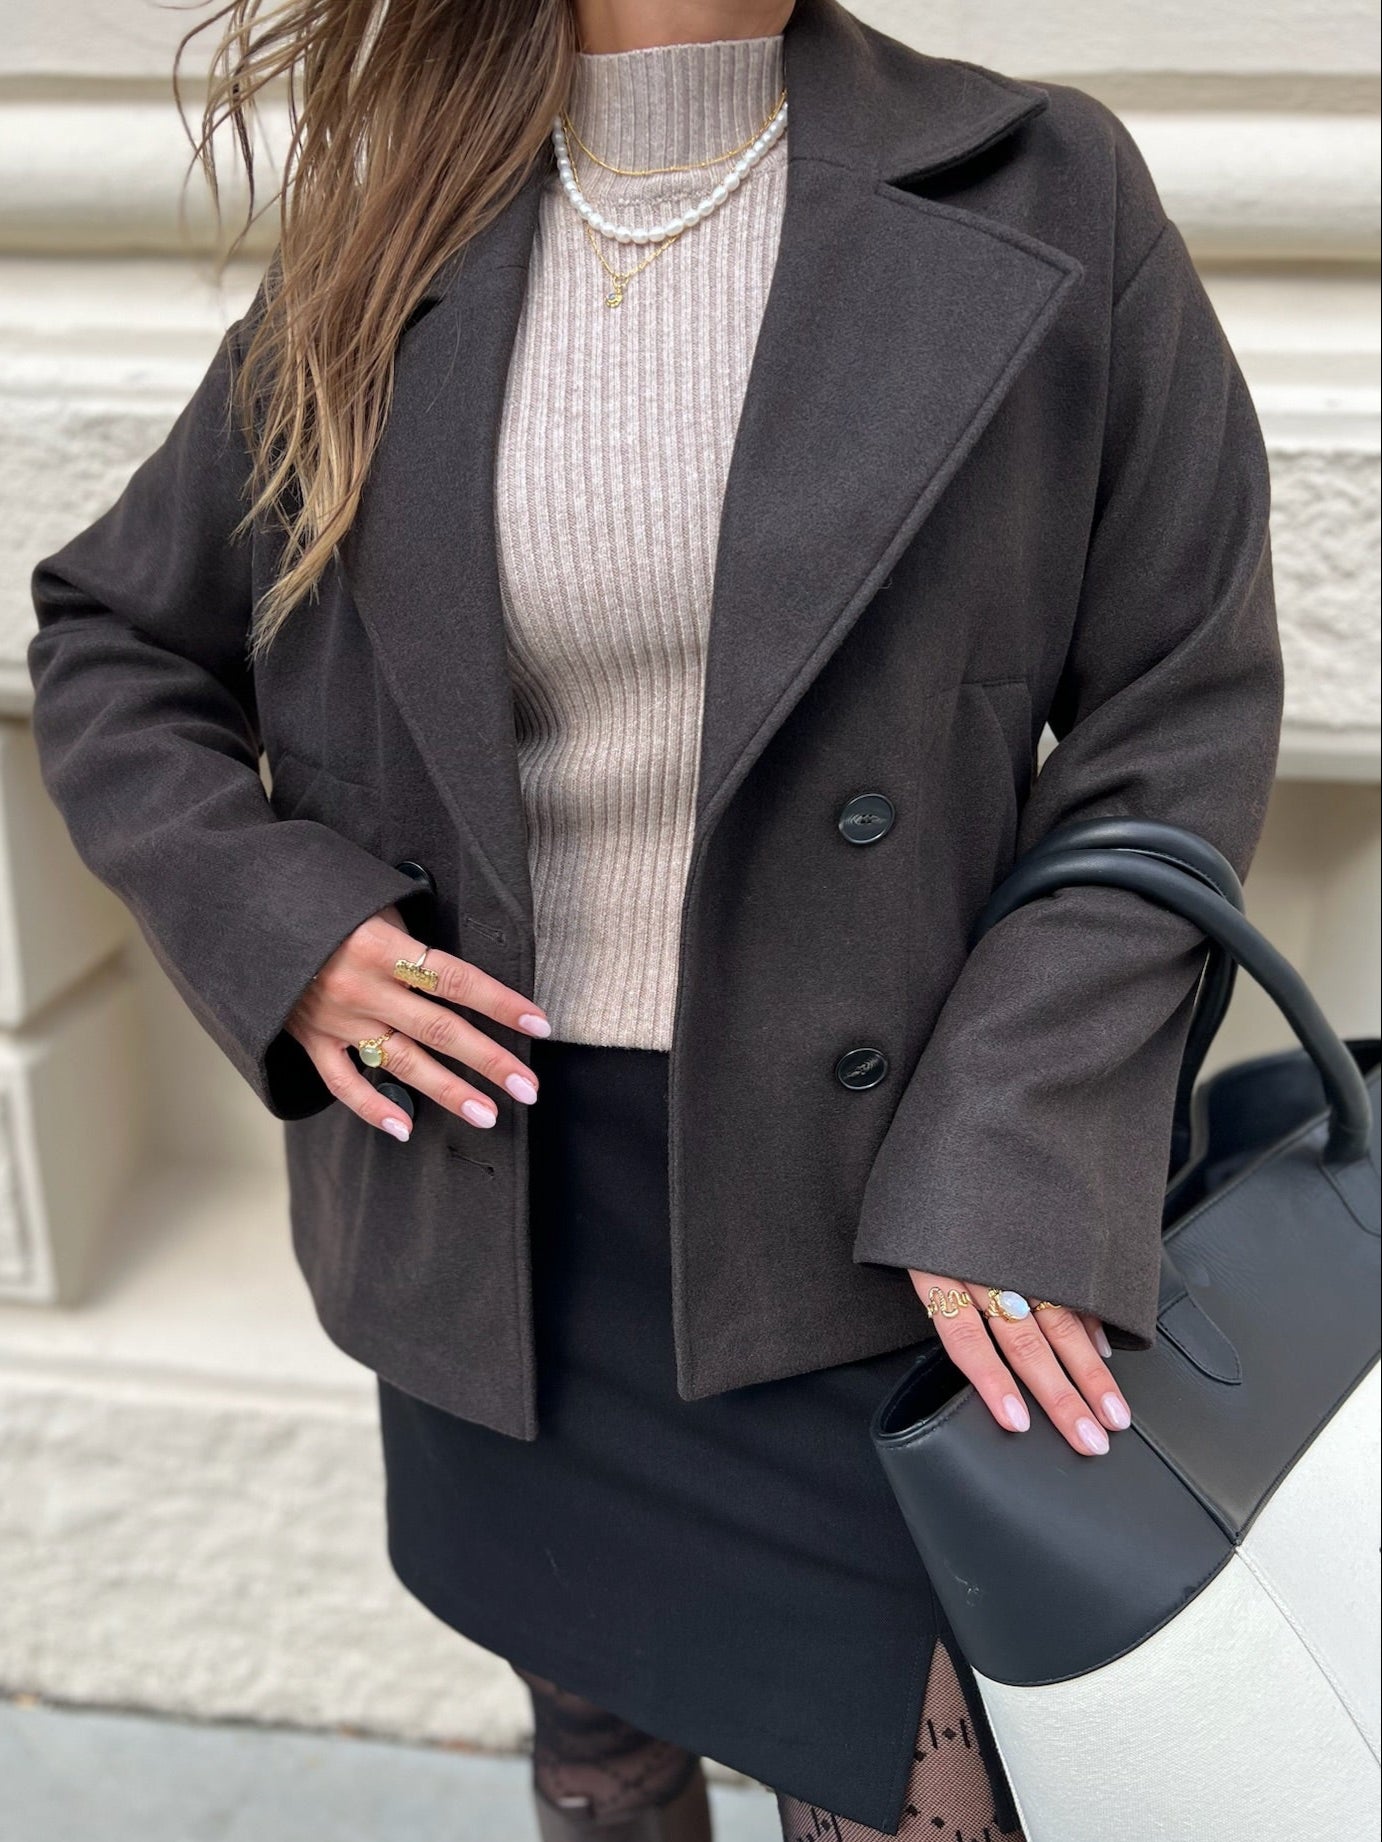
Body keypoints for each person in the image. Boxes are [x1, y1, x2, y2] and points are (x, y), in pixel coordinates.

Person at [25, 0, 1284, 1836]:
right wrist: (289, 930)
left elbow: (1178, 710)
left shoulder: (1039, 182)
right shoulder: (400, 218)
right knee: (599, 1766)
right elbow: (117, 639)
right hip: (498, 1201)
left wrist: (1017, 1134)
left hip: (885, 1222)